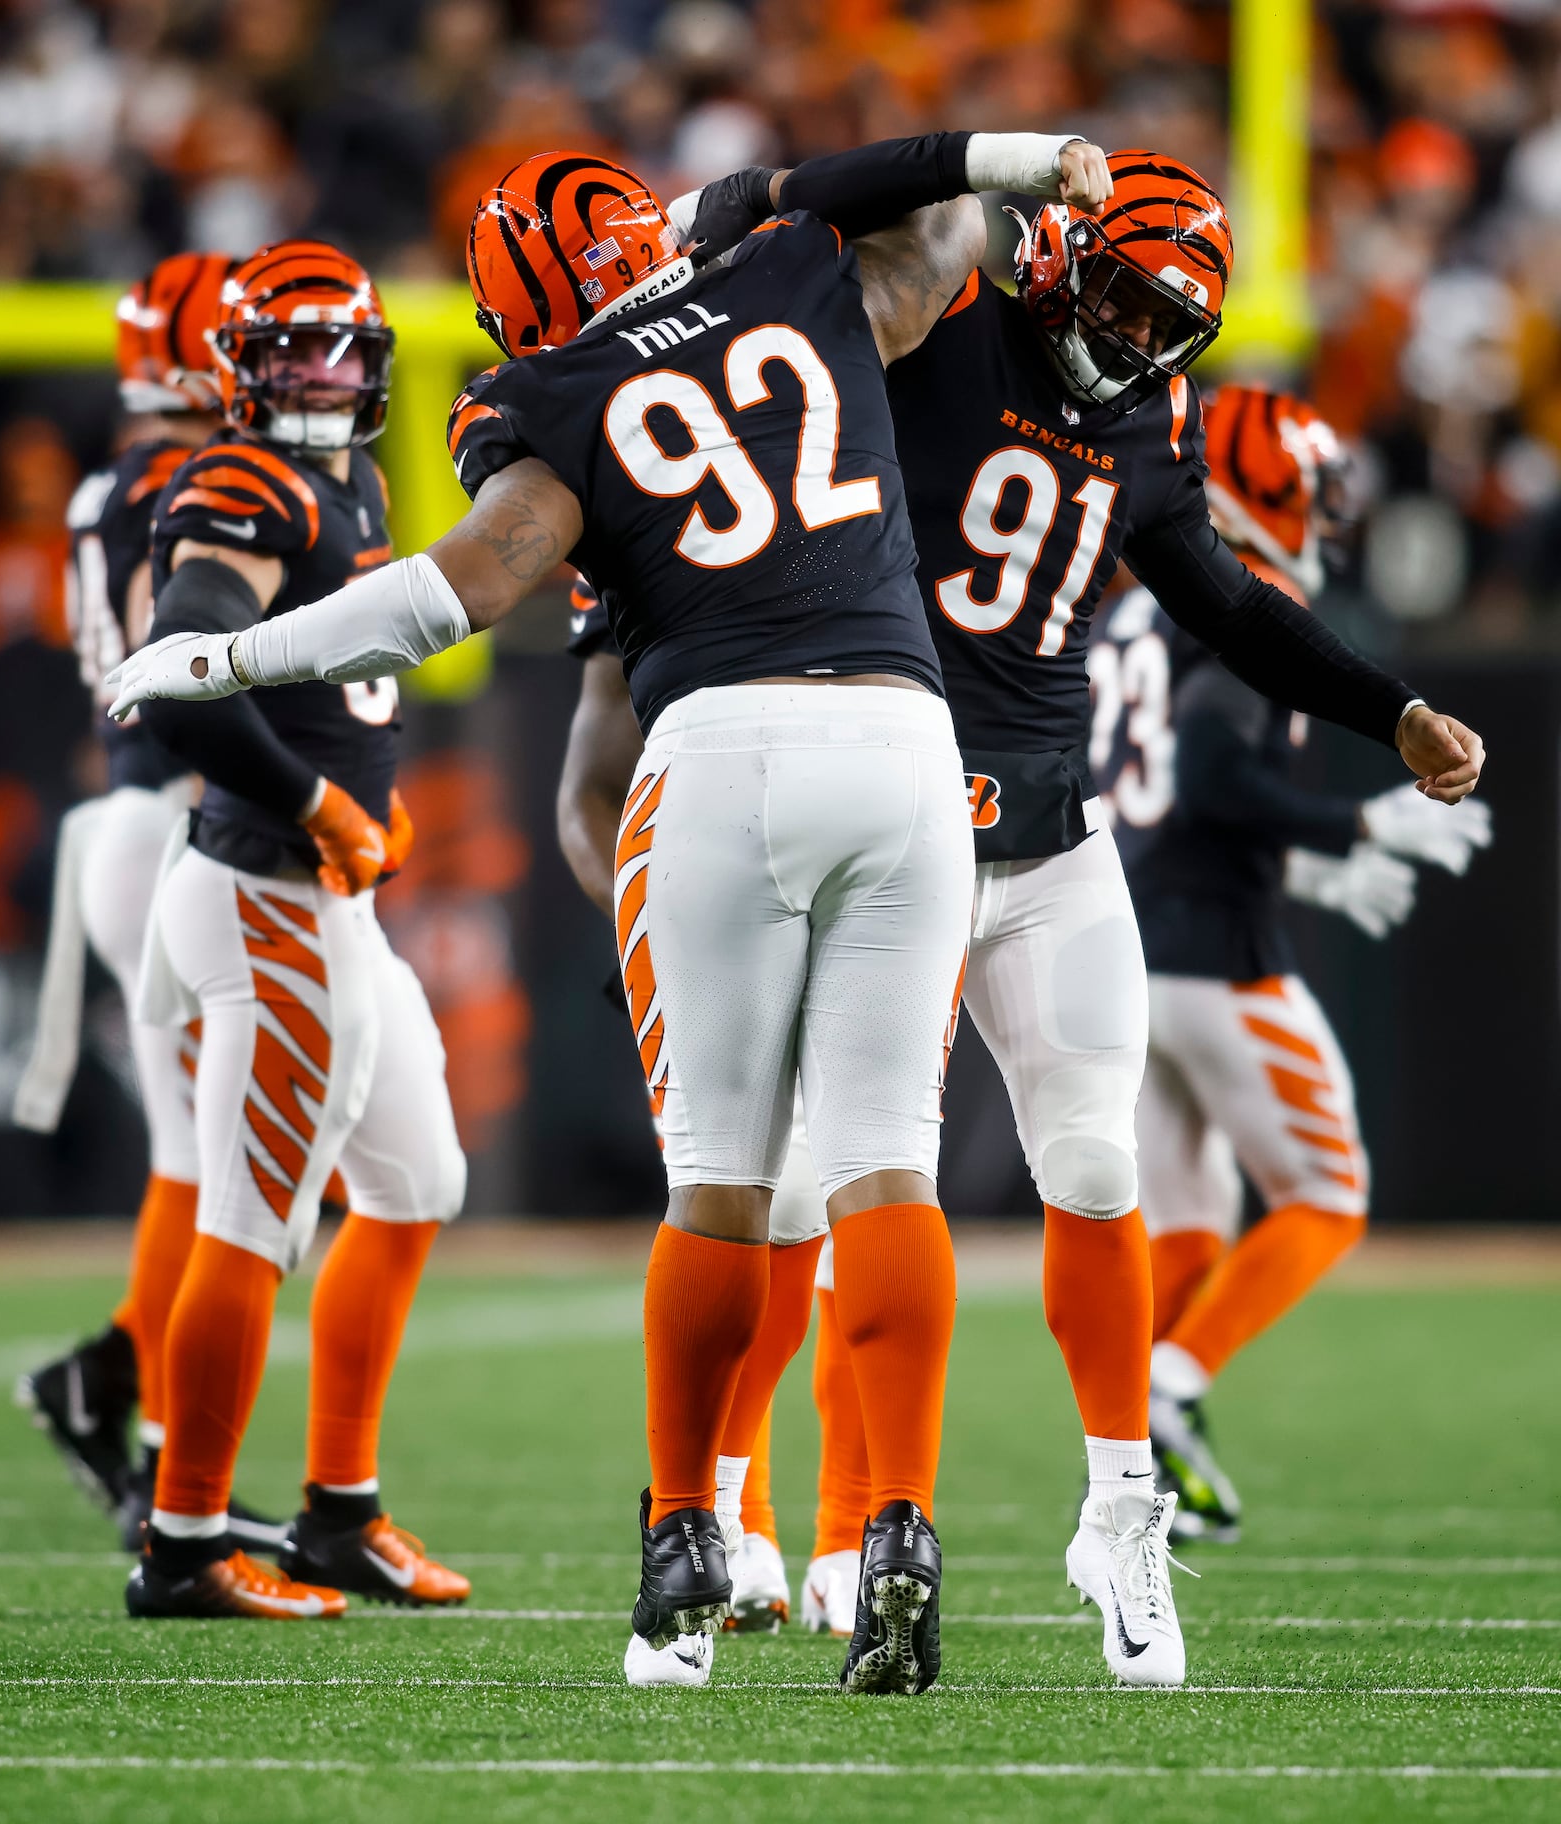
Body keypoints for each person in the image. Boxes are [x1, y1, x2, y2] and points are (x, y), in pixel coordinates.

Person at [103, 140, 1119, 1692]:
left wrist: (234, 662)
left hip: (721, 750)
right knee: (884, 1164)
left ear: (514, 294)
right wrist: (971, 165)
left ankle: (686, 1549)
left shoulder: (545, 396)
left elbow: (458, 589)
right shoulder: (790, 270)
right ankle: (902, 1527)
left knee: (719, 1180)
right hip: (911, 747)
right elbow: (942, 230)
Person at [667, 136, 1486, 1688]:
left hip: (1048, 832)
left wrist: (1398, 712)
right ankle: (763, 1510)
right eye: (1116, 291)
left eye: (1166, 320)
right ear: (1050, 244)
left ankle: (1121, 1514)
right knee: (813, 1196)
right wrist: (986, 157)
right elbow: (789, 202)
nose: (1132, 335)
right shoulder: (926, 313)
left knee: (1097, 1161)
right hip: (892, 809)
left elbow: (1237, 611)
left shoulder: (1150, 423)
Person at [118, 239, 470, 1620]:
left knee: (416, 1182)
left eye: (342, 350)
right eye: (290, 351)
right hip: (267, 887)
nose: (320, 377)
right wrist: (322, 801)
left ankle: (336, 1511)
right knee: (252, 1221)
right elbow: (185, 680)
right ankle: (185, 1542)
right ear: (238, 368)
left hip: (330, 911)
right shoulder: (243, 482)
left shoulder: (354, 480)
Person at [1087, 384, 1491, 1540]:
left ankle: (1123, 1455)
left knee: (1188, 1220)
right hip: (1219, 954)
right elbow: (1212, 770)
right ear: (1263, 484)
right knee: (1326, 1192)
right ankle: (1167, 1391)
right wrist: (1349, 831)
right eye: (1307, 490)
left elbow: (1152, 791)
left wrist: (1306, 865)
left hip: (1128, 942)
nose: (1321, 515)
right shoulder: (1246, 599)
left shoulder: (1129, 605)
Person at [13, 252, 282, 1558]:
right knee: (213, 1157)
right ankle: (173, 1455)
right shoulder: (193, 480)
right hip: (179, 807)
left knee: (207, 1152)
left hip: (137, 818)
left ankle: (123, 1391)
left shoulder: (109, 481)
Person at [555, 575, 827, 1668]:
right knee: (732, 1191)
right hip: (703, 886)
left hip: (854, 866)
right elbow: (588, 789)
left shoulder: (860, 488)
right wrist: (641, 914)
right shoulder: (633, 520)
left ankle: (796, 1523)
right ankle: (711, 1514)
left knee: (819, 1197)